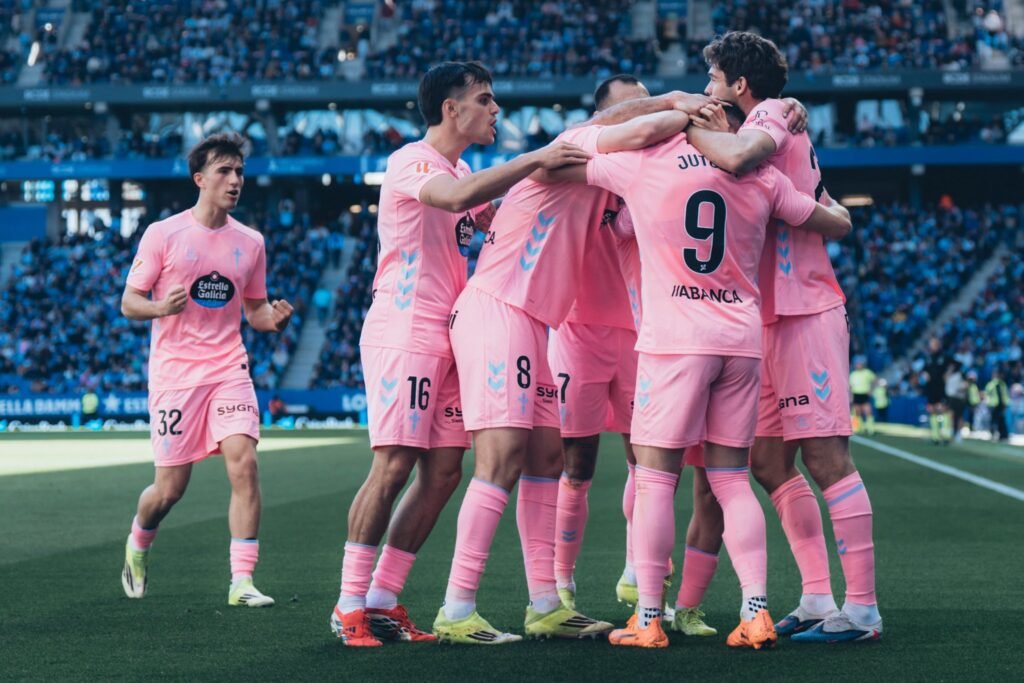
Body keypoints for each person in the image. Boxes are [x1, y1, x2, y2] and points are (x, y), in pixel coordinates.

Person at [435, 82, 720, 645]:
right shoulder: (577, 140)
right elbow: (634, 127)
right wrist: (681, 103)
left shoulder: (601, 175)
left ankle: (546, 602)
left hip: (533, 322)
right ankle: (456, 606)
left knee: (545, 459)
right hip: (500, 308)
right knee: (501, 460)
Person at [561, 101, 850, 648]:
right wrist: (826, 192)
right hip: (741, 343)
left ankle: (648, 619)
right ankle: (755, 611)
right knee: (732, 481)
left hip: (675, 342)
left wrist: (654, 115)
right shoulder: (759, 174)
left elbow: (568, 150)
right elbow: (828, 220)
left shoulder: (646, 163)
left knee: (654, 481)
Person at [330, 61, 593, 647]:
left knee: (445, 472)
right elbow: (454, 199)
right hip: (405, 328)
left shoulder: (465, 166)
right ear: (452, 109)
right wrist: (535, 159)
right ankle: (348, 602)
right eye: (485, 99)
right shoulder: (413, 162)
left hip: (453, 331)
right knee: (393, 465)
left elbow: (499, 216)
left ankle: (381, 600)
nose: (496, 110)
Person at [685, 31, 883, 643]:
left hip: (804, 310)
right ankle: (820, 598)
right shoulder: (768, 119)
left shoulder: (769, 115)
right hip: (763, 317)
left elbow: (743, 158)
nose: (707, 90)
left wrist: (686, 122)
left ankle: (865, 610)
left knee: (825, 457)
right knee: (769, 461)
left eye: (714, 79)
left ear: (740, 86)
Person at [120, 132, 294, 608]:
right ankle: (139, 541)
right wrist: (160, 307)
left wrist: (271, 320)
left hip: (228, 368)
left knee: (245, 463)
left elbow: (254, 310)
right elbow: (129, 302)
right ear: (200, 178)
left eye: (239, 171)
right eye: (224, 171)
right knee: (169, 489)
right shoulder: (164, 234)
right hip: (176, 376)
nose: (235, 180)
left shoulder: (250, 242)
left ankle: (242, 582)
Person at [923, 337, 954, 444]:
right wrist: (925, 375)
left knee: (944, 409)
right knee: (932, 410)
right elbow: (924, 370)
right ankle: (935, 436)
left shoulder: (945, 356)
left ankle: (946, 435)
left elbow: (956, 365)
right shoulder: (928, 358)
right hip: (931, 387)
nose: (934, 346)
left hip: (942, 386)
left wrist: (948, 374)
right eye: (932, 344)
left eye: (936, 344)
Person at [849, 357, 876, 435]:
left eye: (860, 364)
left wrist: (871, 390)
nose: (858, 365)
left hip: (864, 394)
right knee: (857, 412)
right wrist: (851, 396)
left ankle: (870, 429)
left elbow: (875, 381)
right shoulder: (853, 374)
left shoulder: (867, 372)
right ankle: (859, 428)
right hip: (856, 394)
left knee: (868, 411)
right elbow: (850, 386)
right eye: (857, 364)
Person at [986, 369, 1010, 442]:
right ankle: (993, 433)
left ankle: (1002, 435)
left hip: (1000, 405)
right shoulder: (992, 384)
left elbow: (1005, 395)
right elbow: (988, 394)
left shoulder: (1002, 384)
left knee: (1000, 420)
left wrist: (1005, 404)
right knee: (994, 420)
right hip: (994, 404)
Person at [945, 365, 968, 442]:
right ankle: (951, 431)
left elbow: (965, 385)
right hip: (952, 397)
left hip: (959, 398)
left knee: (959, 416)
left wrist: (959, 389)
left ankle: (958, 433)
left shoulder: (960, 375)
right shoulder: (951, 375)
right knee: (952, 415)